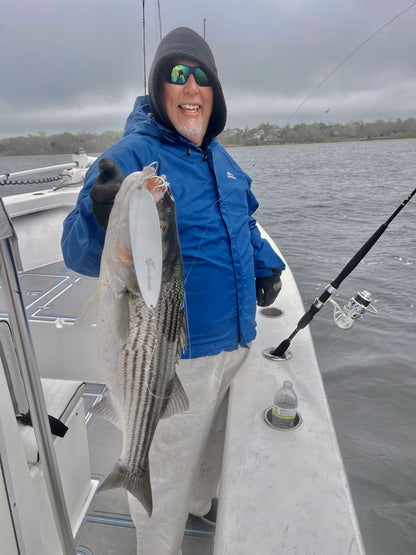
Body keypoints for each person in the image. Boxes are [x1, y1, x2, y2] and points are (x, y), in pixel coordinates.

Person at [61, 26, 285, 555]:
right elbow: (78, 250)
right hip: (174, 359)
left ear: (215, 93)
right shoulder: (132, 156)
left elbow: (244, 223)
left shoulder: (223, 159)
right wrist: (99, 214)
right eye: (176, 76)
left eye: (200, 76)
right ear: (160, 89)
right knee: (161, 487)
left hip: (235, 349)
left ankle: (201, 509)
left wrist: (265, 265)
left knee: (208, 459)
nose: (190, 87)